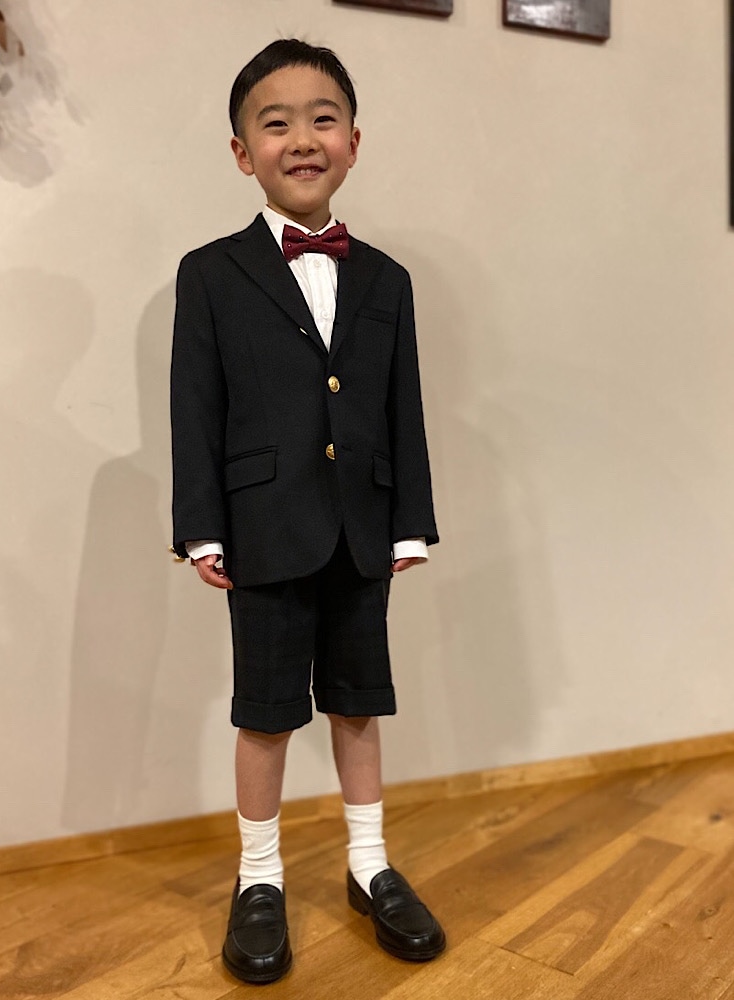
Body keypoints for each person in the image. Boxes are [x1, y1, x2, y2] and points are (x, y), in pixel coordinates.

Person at [170, 38, 444, 985]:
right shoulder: (210, 273)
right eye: (275, 122)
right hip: (263, 529)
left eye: (323, 119)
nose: (301, 138)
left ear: (354, 143)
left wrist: (409, 520)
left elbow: (402, 407)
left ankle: (369, 864)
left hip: (362, 525)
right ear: (241, 151)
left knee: (360, 700)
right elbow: (196, 406)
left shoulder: (388, 280)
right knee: (267, 710)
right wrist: (201, 526)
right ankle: (259, 878)